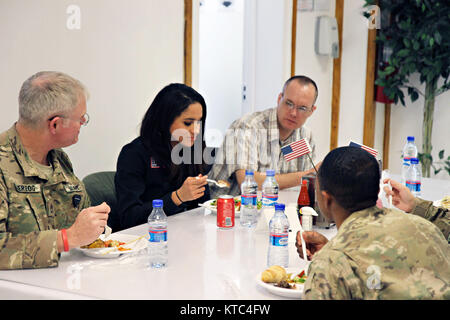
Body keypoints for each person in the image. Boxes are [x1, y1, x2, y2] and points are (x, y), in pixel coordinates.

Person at [295, 147, 449, 299]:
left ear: (326, 199)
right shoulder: (426, 228)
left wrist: (334, 255)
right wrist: (333, 250)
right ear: (377, 192)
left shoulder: (331, 263)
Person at [0, 71, 110, 270]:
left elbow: (82, 223)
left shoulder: (58, 159)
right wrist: (67, 239)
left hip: (66, 279)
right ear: (55, 124)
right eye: (80, 118)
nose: (83, 123)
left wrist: (94, 223)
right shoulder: (3, 165)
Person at [114, 83, 210, 230]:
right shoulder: (134, 154)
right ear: (165, 120)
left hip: (185, 234)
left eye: (199, 122)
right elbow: (129, 218)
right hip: (147, 238)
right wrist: (177, 197)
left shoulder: (193, 149)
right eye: (188, 123)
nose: (195, 130)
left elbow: (200, 208)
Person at [208, 75, 319, 197]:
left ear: (312, 111)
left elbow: (306, 187)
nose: (293, 113)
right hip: (224, 211)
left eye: (302, 108)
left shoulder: (305, 136)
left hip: (273, 209)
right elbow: (248, 184)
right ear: (279, 99)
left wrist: (311, 176)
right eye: (289, 103)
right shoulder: (248, 127)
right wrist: (308, 174)